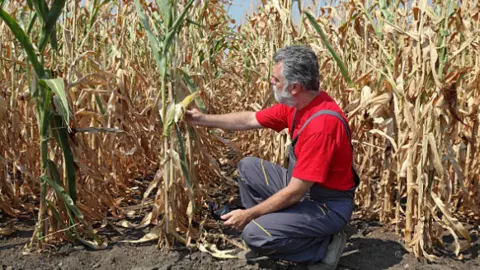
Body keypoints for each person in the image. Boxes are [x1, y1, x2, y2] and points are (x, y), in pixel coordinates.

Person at [185, 45, 359, 269]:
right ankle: (278, 229)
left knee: (255, 234)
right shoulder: (298, 105)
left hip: (326, 205)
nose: (271, 82)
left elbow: (295, 193)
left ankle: (323, 247)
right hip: (307, 191)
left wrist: (248, 214)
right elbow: (250, 120)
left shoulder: (321, 126)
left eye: (275, 79)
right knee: (248, 167)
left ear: (294, 87)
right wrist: (201, 119)